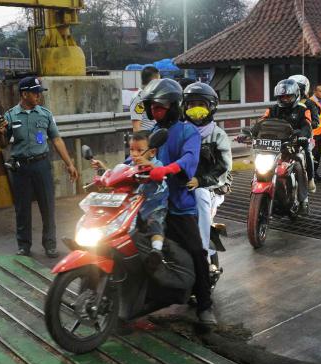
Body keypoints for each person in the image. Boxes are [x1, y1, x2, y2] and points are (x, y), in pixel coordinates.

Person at [141, 78, 217, 325]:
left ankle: (205, 305)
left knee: (197, 251)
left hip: (179, 206)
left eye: (160, 107)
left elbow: (189, 160)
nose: (155, 111)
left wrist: (167, 169)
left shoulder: (188, 132)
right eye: (152, 107)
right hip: (154, 203)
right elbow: (137, 158)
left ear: (174, 106)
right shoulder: (153, 133)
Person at [0, 77, 78, 257]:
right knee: (22, 208)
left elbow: (56, 139)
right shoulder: (10, 116)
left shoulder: (45, 114)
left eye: (39, 92)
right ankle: (24, 245)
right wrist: (0, 133)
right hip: (21, 168)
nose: (39, 96)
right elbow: (2, 144)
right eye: (35, 92)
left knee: (47, 206)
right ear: (24, 94)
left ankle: (50, 244)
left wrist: (69, 163)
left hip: (41, 165)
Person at [90, 131, 169, 262]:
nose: (134, 154)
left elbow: (160, 174)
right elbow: (116, 176)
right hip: (133, 207)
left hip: (154, 206)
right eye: (132, 149)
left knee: (155, 223)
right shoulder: (131, 165)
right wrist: (103, 169)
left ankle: (157, 250)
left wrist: (150, 166)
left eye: (140, 150)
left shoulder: (157, 164)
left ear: (152, 152)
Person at [181, 82, 232, 259]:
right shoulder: (179, 132)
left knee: (200, 195)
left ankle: (202, 250)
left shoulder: (217, 135)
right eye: (191, 105)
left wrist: (200, 181)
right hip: (181, 184)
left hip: (210, 187)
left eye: (201, 105)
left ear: (211, 107)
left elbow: (224, 167)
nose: (195, 109)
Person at [247, 79, 312, 211]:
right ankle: (258, 192)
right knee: (258, 166)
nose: (285, 99)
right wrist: (249, 133)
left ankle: (303, 199)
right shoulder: (272, 110)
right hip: (272, 148)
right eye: (282, 96)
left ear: (296, 95)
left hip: (292, 147)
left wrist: (303, 135)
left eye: (288, 96)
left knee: (299, 166)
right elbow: (261, 123)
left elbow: (307, 126)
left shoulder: (302, 110)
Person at [130, 66, 161, 132]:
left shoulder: (149, 95)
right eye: (159, 81)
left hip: (154, 132)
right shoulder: (140, 98)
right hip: (146, 134)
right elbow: (136, 125)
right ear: (154, 81)